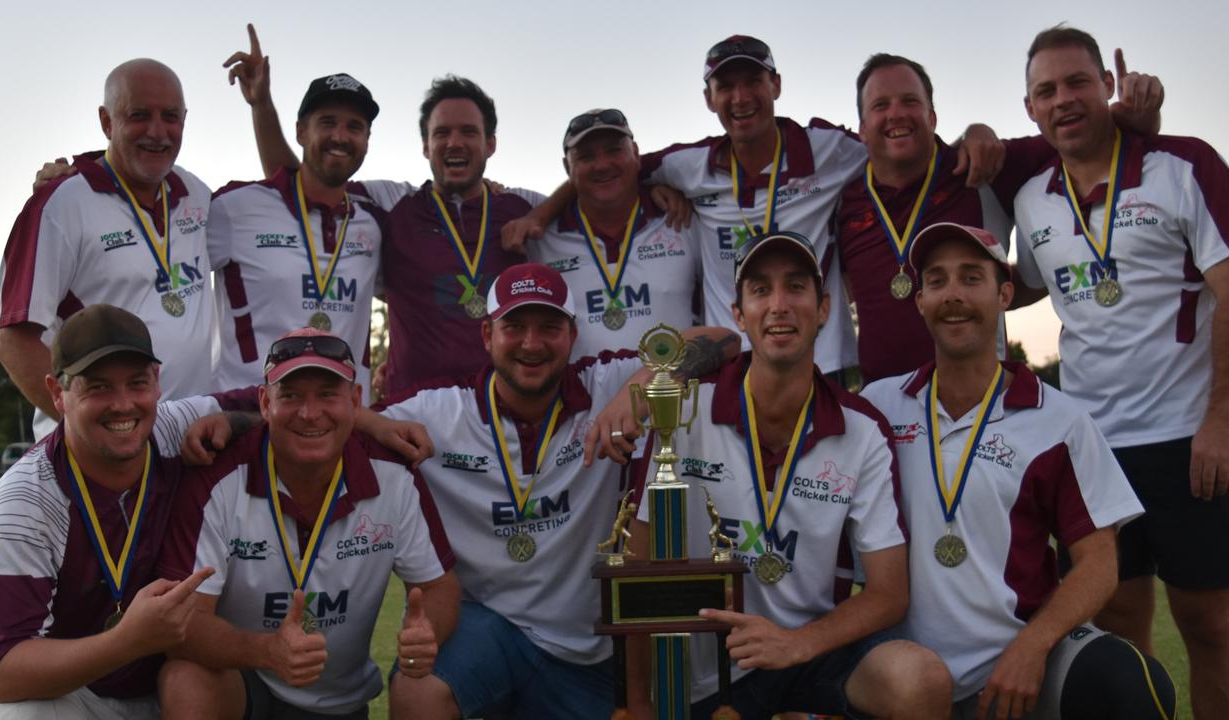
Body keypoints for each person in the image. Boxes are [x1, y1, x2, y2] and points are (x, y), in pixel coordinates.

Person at [508, 35, 1006, 377]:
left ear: (776, 86)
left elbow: (899, 144)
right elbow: (608, 170)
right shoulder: (689, 166)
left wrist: (973, 135)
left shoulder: (830, 150)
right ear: (709, 98)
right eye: (726, 86)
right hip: (727, 365)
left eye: (753, 82)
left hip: (822, 362)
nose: (741, 97)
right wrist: (542, 214)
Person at [375, 262, 739, 719]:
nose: (531, 343)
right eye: (515, 327)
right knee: (417, 689)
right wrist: (369, 420)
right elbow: (337, 420)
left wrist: (639, 388)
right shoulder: (438, 410)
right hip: (490, 631)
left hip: (588, 651)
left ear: (572, 334)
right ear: (487, 335)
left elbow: (725, 339)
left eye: (549, 327)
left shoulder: (606, 381)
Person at [630, 232, 952, 719]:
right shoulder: (685, 412)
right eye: (760, 290)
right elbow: (637, 567)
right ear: (738, 315)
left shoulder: (862, 430)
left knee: (919, 680)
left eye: (796, 287)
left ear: (823, 308)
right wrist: (638, 703)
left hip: (813, 651)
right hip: (711, 671)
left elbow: (889, 593)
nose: (779, 306)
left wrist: (797, 644)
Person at [862, 222, 1176, 719]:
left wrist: (1033, 646)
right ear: (919, 300)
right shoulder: (878, 406)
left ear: (1005, 293)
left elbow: (1098, 561)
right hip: (904, 666)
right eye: (938, 281)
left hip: (1017, 660)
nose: (954, 296)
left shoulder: (1060, 420)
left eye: (971, 278)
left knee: (1130, 683)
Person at [1013, 25, 1229, 717]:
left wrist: (1222, 419)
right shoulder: (1032, 200)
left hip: (1190, 439)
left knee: (1212, 627)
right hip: (1093, 452)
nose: (1064, 100)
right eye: (1047, 90)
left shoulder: (1183, 164)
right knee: (1118, 633)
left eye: (1078, 82)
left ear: (1109, 85)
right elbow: (1020, 291)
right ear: (1030, 109)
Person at [223, 25, 544, 399]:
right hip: (411, 418)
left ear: (490, 144)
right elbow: (306, 181)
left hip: (502, 411)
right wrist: (261, 107)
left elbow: (593, 188)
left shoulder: (524, 207)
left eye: (469, 132)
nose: (454, 142)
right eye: (441, 133)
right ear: (425, 146)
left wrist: (540, 214)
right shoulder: (390, 204)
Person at [156, 327, 461, 719]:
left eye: (328, 394)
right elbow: (183, 623)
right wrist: (266, 651)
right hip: (248, 687)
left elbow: (439, 585)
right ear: (265, 403)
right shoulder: (217, 477)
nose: (309, 412)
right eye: (292, 395)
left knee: (422, 687)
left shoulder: (394, 475)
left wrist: (426, 632)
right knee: (185, 679)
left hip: (341, 703)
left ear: (355, 401)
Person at [0, 304, 228, 719]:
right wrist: (128, 640)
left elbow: (277, 407)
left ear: (157, 382)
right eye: (98, 387)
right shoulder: (22, 502)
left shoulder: (174, 428)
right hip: (60, 691)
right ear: (57, 392)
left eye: (136, 382)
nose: (123, 405)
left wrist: (229, 421)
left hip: (155, 683)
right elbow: (4, 671)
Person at [836, 52, 1163, 383]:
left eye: (909, 101)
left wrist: (1137, 117)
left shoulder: (982, 167)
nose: (896, 114)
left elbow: (1077, 137)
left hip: (982, 409)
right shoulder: (845, 201)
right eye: (880, 105)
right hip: (882, 410)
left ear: (932, 117)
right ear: (862, 129)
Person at [0, 59, 216, 440]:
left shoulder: (196, 194)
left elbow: (283, 207)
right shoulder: (60, 205)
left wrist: (261, 107)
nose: (158, 131)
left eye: (171, 116)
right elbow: (12, 339)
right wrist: (90, 429)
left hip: (188, 442)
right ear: (106, 121)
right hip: (102, 451)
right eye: (139, 115)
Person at [207, 71, 388, 403]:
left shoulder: (374, 222)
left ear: (367, 139)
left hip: (341, 424)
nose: (340, 136)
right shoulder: (235, 208)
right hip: (246, 419)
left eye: (354, 127)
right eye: (328, 123)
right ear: (301, 132)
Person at [527, 108, 698, 357]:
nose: (602, 165)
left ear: (636, 154)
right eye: (585, 157)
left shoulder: (682, 220)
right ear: (567, 167)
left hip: (673, 394)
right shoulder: (539, 241)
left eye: (614, 150)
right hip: (580, 396)